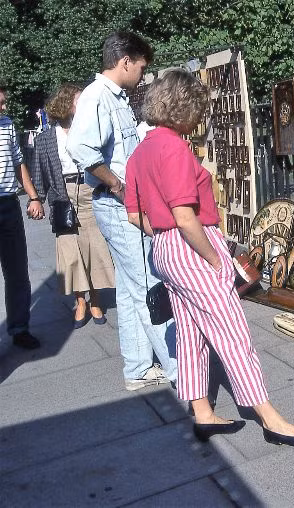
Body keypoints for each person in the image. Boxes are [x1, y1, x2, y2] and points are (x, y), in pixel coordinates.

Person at [125, 69, 294, 446]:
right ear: (182, 107)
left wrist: (164, 239)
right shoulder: (174, 148)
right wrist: (214, 258)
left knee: (190, 332)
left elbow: (135, 216)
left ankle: (202, 411)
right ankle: (270, 418)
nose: (200, 118)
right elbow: (185, 216)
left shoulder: (140, 152)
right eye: (197, 109)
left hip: (165, 249)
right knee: (233, 333)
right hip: (193, 246)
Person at [66, 31, 177, 391]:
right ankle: (179, 370)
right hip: (117, 204)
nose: (143, 74)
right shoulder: (98, 95)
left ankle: (138, 368)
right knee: (149, 284)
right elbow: (82, 148)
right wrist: (118, 185)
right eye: (142, 67)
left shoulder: (111, 96)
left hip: (116, 204)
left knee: (131, 290)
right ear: (125, 61)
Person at [30, 83, 115, 329]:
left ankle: (96, 299)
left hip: (90, 189)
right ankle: (80, 302)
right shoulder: (46, 138)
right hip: (62, 194)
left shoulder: (89, 130)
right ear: (66, 104)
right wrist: (37, 199)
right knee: (70, 252)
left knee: (94, 247)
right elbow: (39, 170)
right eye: (79, 100)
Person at [0, 86, 44, 349]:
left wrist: (34, 196)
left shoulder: (6, 124)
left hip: (8, 205)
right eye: (1, 103)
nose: (5, 107)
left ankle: (19, 327)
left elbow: (18, 162)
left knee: (17, 271)